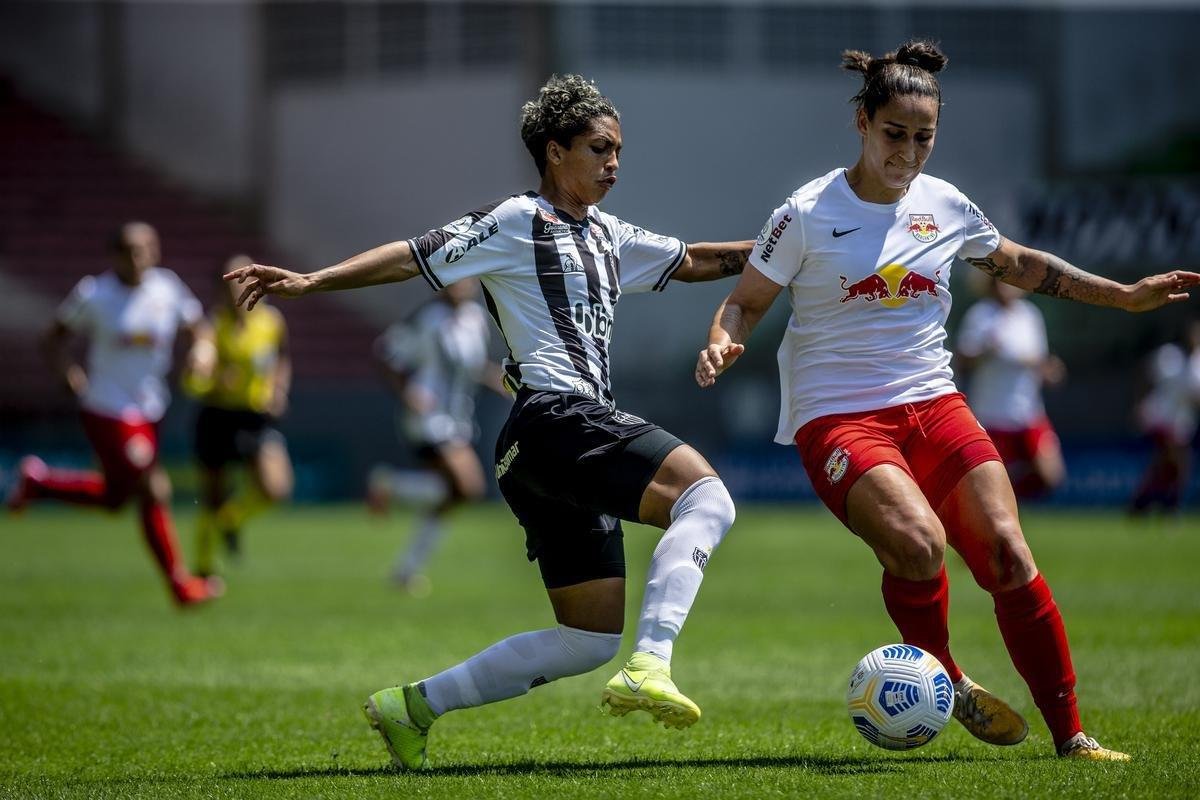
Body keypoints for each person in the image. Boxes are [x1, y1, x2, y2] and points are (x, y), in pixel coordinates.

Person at [226, 74, 751, 770]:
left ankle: (411, 707)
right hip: (557, 417)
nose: (615, 163)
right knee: (707, 497)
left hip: (535, 447)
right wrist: (313, 281)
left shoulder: (609, 235)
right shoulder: (514, 221)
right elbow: (412, 255)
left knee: (587, 639)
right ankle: (652, 662)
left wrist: (790, 248)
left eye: (620, 149)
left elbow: (696, 261)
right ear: (555, 151)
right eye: (599, 148)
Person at [696, 41, 1198, 761]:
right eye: (894, 134)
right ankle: (949, 682)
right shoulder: (804, 212)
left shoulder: (946, 206)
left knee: (1005, 551)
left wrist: (1121, 296)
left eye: (923, 137)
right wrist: (723, 338)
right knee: (919, 543)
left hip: (934, 403)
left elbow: (1020, 263)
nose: (907, 153)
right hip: (837, 415)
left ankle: (1073, 737)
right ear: (862, 123)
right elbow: (743, 304)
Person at [6, 221, 224, 606]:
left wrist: (202, 354)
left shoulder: (167, 287)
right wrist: (67, 372)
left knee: (115, 500)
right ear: (114, 256)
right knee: (154, 488)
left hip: (149, 409)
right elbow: (52, 337)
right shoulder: (95, 294)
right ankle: (180, 586)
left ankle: (39, 483)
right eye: (129, 251)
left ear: (156, 252)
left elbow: (199, 329)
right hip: (106, 408)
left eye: (145, 249)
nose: (138, 258)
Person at [367, 278, 508, 595]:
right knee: (468, 488)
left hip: (458, 417)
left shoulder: (474, 317)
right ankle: (390, 488)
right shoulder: (427, 318)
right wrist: (406, 393)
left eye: (468, 279)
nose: (462, 285)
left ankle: (406, 568)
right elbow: (386, 353)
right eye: (454, 280)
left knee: (451, 494)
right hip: (428, 416)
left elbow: (468, 366)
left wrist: (494, 379)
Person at [185, 255, 294, 578]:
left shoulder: (271, 322)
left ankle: (230, 523)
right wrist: (212, 379)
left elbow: (282, 358)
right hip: (217, 415)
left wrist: (279, 388)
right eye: (234, 281)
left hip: (255, 416)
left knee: (276, 488)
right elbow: (194, 379)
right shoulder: (212, 327)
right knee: (211, 496)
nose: (241, 287)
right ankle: (203, 572)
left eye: (246, 279)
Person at [956, 276, 1066, 498]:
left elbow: (1038, 360)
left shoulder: (1030, 315)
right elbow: (963, 361)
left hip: (1028, 411)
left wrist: (1049, 371)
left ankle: (1012, 499)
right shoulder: (980, 315)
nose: (1006, 287)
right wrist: (985, 352)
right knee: (991, 483)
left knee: (1051, 475)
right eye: (1001, 281)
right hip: (992, 414)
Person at [1130, 319, 1200, 514]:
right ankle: (1166, 505)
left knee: (1168, 467)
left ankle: (1146, 502)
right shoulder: (1169, 356)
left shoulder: (1197, 364)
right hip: (1159, 416)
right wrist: (1138, 402)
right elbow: (1144, 375)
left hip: (1182, 422)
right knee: (1175, 460)